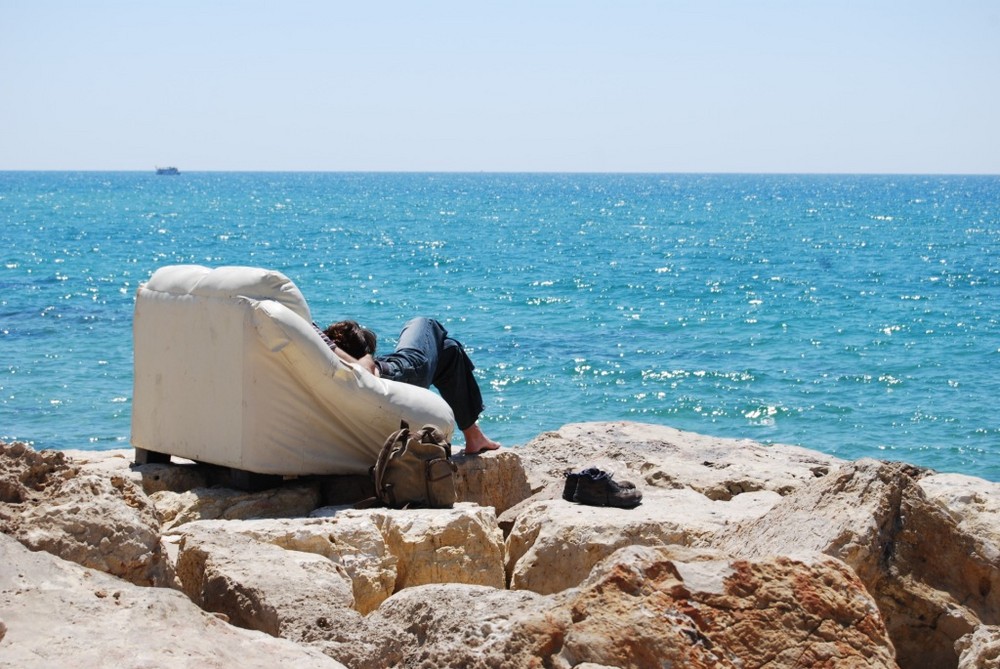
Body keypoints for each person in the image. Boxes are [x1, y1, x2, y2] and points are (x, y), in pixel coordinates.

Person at [315, 317, 501, 455]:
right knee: (423, 323)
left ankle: (474, 437)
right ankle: (474, 435)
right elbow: (365, 371)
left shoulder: (323, 367)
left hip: (396, 381)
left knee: (448, 350)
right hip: (404, 373)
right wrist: (364, 355)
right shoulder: (351, 363)